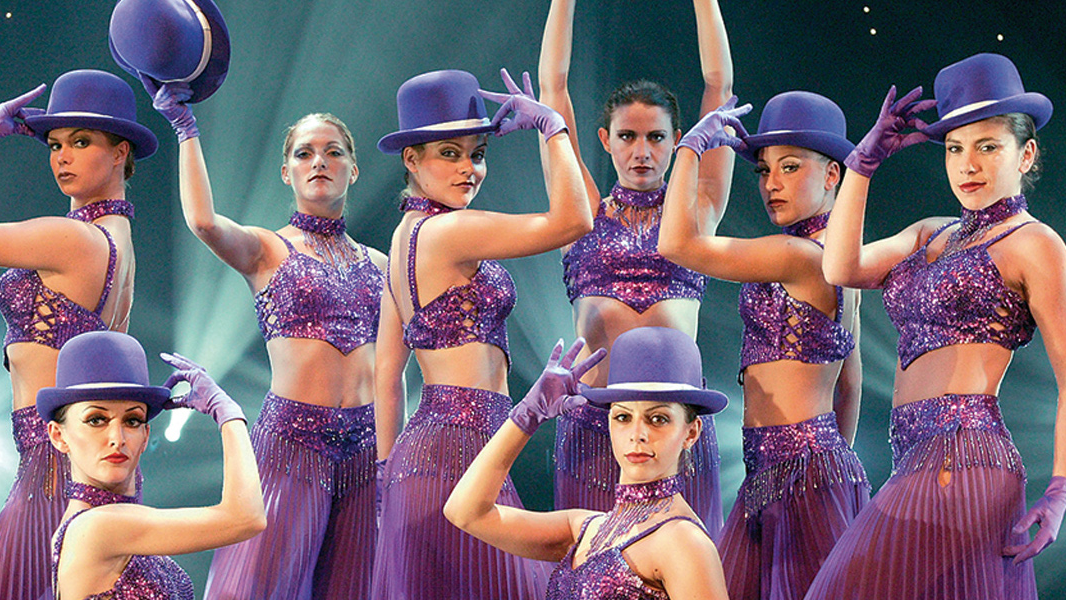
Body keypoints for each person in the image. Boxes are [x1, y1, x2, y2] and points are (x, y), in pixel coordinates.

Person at [807, 53, 1066, 599]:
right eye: (956, 149)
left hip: (963, 454)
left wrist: (1060, 489)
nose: (968, 165)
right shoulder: (930, 234)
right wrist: (862, 168)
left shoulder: (1035, 244)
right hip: (914, 456)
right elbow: (838, 267)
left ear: (1025, 152)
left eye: (988, 147)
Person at [143, 82, 385, 600]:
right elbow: (204, 223)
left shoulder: (382, 265)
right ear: (287, 172)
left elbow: (397, 368)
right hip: (292, 444)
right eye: (304, 153)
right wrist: (186, 130)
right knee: (258, 587)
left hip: (366, 452)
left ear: (353, 169)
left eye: (333, 152)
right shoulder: (267, 249)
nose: (319, 161)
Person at [371, 68, 594, 599]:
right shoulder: (451, 231)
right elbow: (574, 220)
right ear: (412, 160)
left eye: (478, 152)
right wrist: (555, 129)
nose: (470, 169)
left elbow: (386, 375)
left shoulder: (402, 238)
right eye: (451, 153)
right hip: (459, 450)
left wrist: (384, 476)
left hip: (426, 458)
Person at [0, 69, 156, 599]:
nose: (62, 156)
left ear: (121, 151)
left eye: (81, 142)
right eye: (55, 144)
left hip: (52, 471)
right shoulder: (120, 238)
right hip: (78, 469)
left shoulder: (72, 238)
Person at [657, 92, 869, 599]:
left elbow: (675, 245)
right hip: (788, 472)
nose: (771, 184)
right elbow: (851, 384)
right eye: (764, 170)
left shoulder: (799, 255)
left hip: (802, 477)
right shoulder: (840, 260)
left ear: (833, 174)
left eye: (790, 167)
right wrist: (831, 470)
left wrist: (688, 149)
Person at [536, 0, 733, 533]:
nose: (641, 150)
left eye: (656, 137)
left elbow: (719, 86)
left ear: (680, 141)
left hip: (676, 433)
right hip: (593, 431)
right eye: (627, 136)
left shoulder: (697, 212)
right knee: (591, 573)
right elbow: (553, 91)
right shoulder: (580, 214)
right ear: (605, 140)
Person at [446, 329, 729, 600]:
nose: (637, 434)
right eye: (623, 417)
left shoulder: (683, 541)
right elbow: (465, 512)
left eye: (658, 419)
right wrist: (527, 415)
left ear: (691, 433)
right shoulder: (583, 529)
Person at [39, 331, 265, 600]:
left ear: (146, 435)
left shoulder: (92, 522)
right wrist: (228, 414)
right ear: (58, 435)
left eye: (132, 421)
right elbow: (247, 518)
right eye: (96, 420)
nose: (117, 439)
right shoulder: (99, 526)